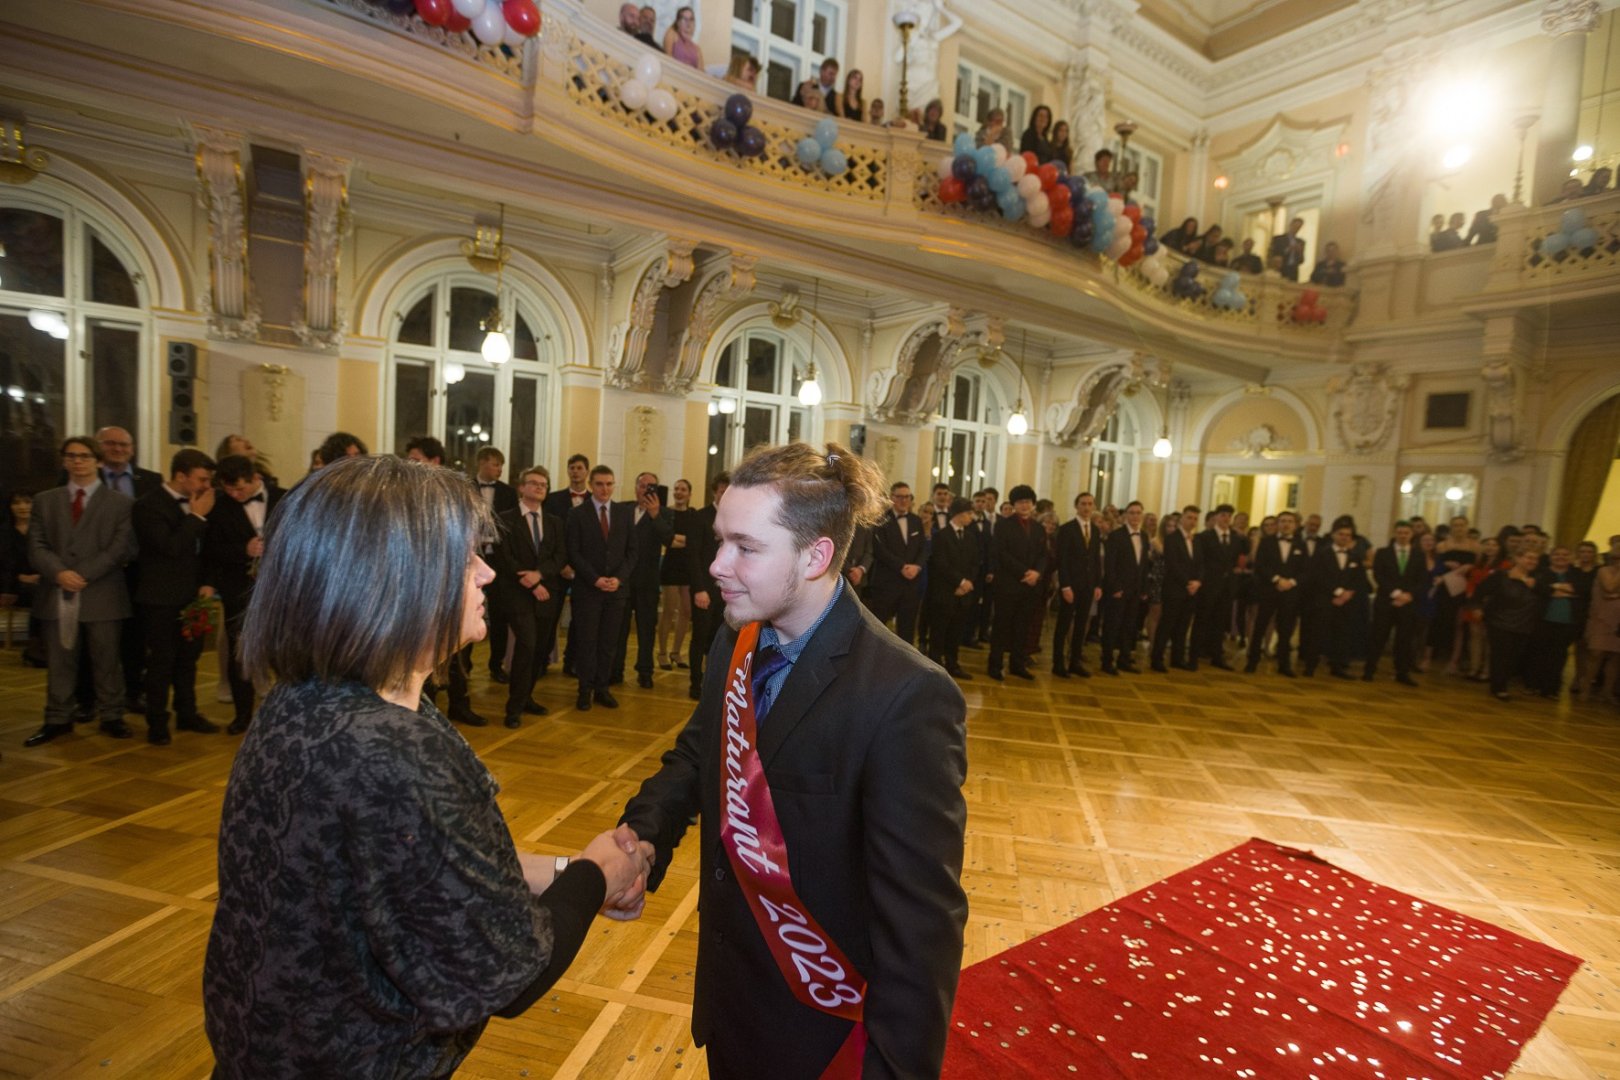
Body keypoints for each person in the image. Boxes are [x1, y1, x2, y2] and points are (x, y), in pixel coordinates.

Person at [203, 454, 649, 1078]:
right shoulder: (392, 751)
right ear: (398, 577)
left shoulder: (312, 698)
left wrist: (562, 870)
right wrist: (601, 871)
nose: (486, 572)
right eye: (465, 558)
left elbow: (419, 865)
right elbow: (512, 974)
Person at [614, 441, 968, 1078]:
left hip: (822, 1030)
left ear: (816, 556)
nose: (717, 565)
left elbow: (922, 928)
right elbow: (699, 754)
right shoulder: (737, 636)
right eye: (720, 540)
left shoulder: (906, 695)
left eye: (745, 548)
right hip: (731, 1002)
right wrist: (644, 834)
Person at [23, 437, 137, 747]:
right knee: (59, 660)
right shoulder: (45, 500)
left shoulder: (120, 503)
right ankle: (57, 718)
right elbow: (36, 545)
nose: (78, 461)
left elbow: (121, 548)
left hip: (102, 592)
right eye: (71, 456)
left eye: (85, 456)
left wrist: (83, 574)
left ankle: (112, 715)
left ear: (98, 461)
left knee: (107, 659)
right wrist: (59, 573)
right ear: (64, 461)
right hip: (56, 591)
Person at [133, 447, 220, 746]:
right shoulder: (148, 505)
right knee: (161, 661)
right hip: (160, 597)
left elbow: (208, 550)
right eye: (202, 479)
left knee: (188, 660)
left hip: (193, 595)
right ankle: (157, 721)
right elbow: (169, 547)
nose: (207, 485)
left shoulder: (203, 503)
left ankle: (187, 712)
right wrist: (196, 516)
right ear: (181, 476)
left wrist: (208, 583)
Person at [406, 437, 488, 727]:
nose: (409, 465)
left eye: (416, 459)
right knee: (424, 655)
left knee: (459, 656)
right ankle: (424, 710)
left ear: (435, 461)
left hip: (454, 588)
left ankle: (458, 705)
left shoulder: (454, 498)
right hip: (425, 594)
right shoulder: (406, 502)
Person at [203, 454, 284, 735]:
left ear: (255, 478)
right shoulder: (220, 506)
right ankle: (242, 716)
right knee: (240, 654)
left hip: (281, 590)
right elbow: (211, 548)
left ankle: (287, 713)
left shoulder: (285, 498)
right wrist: (243, 550)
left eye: (240, 488)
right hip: (238, 590)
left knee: (284, 652)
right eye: (229, 490)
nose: (235, 495)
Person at [489, 466, 565, 728]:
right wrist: (530, 582)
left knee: (540, 650)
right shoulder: (505, 518)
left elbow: (560, 556)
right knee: (527, 645)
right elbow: (503, 556)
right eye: (534, 483)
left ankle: (526, 697)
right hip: (516, 593)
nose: (540, 487)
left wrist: (539, 575)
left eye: (544, 484)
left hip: (547, 593)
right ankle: (514, 708)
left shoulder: (554, 522)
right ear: (521, 487)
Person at [94, 425, 161, 712]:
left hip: (138, 570)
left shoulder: (151, 480)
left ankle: (133, 692)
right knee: (95, 636)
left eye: (124, 445)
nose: (118, 449)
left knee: (136, 635)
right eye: (111, 444)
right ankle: (89, 699)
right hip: (97, 569)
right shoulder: (88, 477)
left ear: (132, 449)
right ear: (99, 447)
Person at [566, 465, 637, 711]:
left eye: (609, 484)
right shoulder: (577, 514)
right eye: (599, 484)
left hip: (616, 592)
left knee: (609, 644)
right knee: (587, 643)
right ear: (591, 485)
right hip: (588, 590)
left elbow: (632, 552)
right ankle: (584, 690)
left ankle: (602, 689)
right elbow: (573, 552)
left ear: (613, 485)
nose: (604, 489)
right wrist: (594, 578)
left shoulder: (624, 513)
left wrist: (619, 578)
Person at [614, 472, 673, 689]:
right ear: (635, 487)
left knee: (646, 630)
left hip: (648, 582)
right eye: (642, 485)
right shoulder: (622, 509)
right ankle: (615, 670)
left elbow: (668, 539)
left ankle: (645, 671)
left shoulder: (664, 513)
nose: (645, 489)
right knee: (618, 629)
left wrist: (655, 514)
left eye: (651, 486)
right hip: (622, 580)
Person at [988, 484, 1045, 680]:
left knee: (1023, 627)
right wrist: (1025, 572)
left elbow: (1043, 555)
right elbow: (1001, 553)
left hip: (1030, 586)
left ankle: (1017, 664)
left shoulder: (1038, 528)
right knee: (1001, 627)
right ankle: (995, 665)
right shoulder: (1003, 525)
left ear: (1033, 504)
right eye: (1020, 502)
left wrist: (1037, 572)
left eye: (1028, 501)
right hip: (1008, 584)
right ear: (1014, 504)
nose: (1024, 505)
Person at [1246, 510, 1310, 676]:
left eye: (1290, 521)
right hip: (1269, 590)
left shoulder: (1301, 544)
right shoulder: (1267, 542)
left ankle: (1284, 664)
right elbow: (1260, 565)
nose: (1286, 524)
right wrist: (1276, 580)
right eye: (1283, 521)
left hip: (1290, 593)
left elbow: (1305, 570)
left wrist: (1291, 582)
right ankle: (1252, 661)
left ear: (1295, 525)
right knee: (1260, 626)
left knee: (1286, 629)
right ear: (1278, 524)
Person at [474, 447, 519, 680]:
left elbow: (510, 529)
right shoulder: (464, 487)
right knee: (467, 611)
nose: (500, 469)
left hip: (499, 561)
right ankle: (463, 667)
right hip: (472, 558)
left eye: (501, 465)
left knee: (500, 615)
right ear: (482, 463)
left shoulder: (508, 492)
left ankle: (496, 665)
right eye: (495, 464)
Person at [1303, 519, 1368, 678]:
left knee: (1341, 634)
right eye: (1341, 534)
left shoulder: (1354, 556)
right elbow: (1317, 576)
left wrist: (1348, 593)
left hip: (1345, 602)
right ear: (1333, 535)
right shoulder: (1321, 553)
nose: (1344, 537)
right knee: (1318, 634)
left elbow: (1359, 579)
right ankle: (1310, 667)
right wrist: (1337, 592)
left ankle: (1337, 666)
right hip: (1325, 600)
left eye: (1348, 535)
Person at [1363, 521, 1426, 686]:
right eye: (1400, 532)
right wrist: (1396, 594)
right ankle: (1369, 670)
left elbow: (1422, 579)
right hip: (1386, 602)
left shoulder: (1418, 555)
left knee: (1404, 639)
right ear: (1394, 534)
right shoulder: (1383, 553)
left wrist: (1409, 595)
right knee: (1378, 637)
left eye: (1406, 533)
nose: (1403, 536)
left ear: (1411, 535)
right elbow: (1379, 575)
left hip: (1408, 603)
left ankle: (1402, 673)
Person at [1478, 548, 1542, 701]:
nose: (1532, 561)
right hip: (1500, 622)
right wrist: (1477, 608)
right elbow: (1481, 591)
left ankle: (1502, 684)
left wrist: (1532, 584)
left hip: (1524, 624)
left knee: (1514, 657)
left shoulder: (1538, 580)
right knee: (1501, 655)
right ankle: (1499, 688)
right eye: (1529, 557)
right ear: (1518, 558)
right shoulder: (1501, 576)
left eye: (1535, 559)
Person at [866, 482, 925, 645]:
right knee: (878, 629)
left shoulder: (916, 521)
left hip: (911, 584)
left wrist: (917, 566)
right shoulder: (881, 520)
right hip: (887, 583)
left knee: (907, 630)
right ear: (892, 498)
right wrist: (901, 567)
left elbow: (923, 548)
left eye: (907, 497)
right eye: (899, 497)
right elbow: (879, 549)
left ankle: (904, 661)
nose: (903, 500)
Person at [686, 472, 728, 700]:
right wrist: (699, 589)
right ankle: (695, 682)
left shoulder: (736, 518)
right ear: (715, 492)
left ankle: (713, 684)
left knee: (719, 640)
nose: (726, 495)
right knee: (699, 638)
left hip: (727, 591)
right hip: (704, 589)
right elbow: (692, 557)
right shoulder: (700, 517)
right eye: (722, 491)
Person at [926, 496, 978, 679]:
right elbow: (941, 564)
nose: (971, 517)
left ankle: (953, 663)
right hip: (945, 592)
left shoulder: (970, 537)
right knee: (939, 631)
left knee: (956, 632)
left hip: (963, 594)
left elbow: (975, 563)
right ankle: (934, 666)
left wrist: (968, 582)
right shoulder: (941, 536)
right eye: (969, 513)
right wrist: (960, 582)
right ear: (959, 514)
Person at [1052, 492, 1103, 678]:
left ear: (1094, 506)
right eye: (1083, 503)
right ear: (1076, 506)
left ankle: (1075, 661)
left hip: (1088, 585)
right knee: (1064, 624)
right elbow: (1062, 560)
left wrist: (1097, 584)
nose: (1087, 507)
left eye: (1090, 504)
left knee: (1081, 625)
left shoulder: (1095, 530)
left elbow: (1095, 559)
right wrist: (1065, 586)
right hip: (1071, 585)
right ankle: (1058, 663)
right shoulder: (1067, 529)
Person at [1100, 500, 1149, 675]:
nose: (1135, 516)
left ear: (1142, 516)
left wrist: (1144, 589)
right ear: (1126, 515)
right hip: (1119, 589)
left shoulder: (1144, 536)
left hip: (1135, 590)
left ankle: (1124, 658)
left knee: (1130, 626)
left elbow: (1143, 565)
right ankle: (1107, 660)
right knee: (1112, 626)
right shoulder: (1116, 536)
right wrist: (1115, 587)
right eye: (1132, 513)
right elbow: (1110, 565)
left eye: (1138, 513)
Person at [1192, 503, 1243, 670]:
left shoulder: (1236, 538)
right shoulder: (1204, 537)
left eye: (1229, 516)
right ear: (1216, 517)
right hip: (1208, 586)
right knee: (1202, 620)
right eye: (1223, 515)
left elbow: (1237, 560)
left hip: (1227, 587)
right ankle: (1194, 656)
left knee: (1220, 623)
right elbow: (1200, 562)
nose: (1226, 518)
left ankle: (1216, 656)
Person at [1153, 505, 1203, 673]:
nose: (1192, 521)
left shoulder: (1196, 540)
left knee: (1183, 626)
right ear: (1182, 518)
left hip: (1192, 590)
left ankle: (1177, 658)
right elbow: (1173, 564)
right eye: (1189, 517)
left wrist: (1198, 581)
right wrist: (1189, 582)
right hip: (1175, 588)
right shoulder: (1172, 538)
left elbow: (1200, 564)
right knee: (1166, 625)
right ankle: (1157, 659)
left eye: (1195, 518)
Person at [1531, 546, 1584, 698]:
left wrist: (1555, 588)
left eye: (1565, 554)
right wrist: (1560, 589)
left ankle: (1552, 688)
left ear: (1571, 557)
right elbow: (1538, 588)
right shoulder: (1542, 572)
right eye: (1557, 554)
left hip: (1567, 622)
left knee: (1559, 655)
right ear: (1551, 557)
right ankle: (1534, 685)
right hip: (1543, 620)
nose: (1561, 557)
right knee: (1539, 653)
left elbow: (1581, 590)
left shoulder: (1576, 574)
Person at [1, 491, 45, 667]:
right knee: (40, 595)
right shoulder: (4, 532)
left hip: (41, 580)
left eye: (27, 502)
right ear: (10, 507)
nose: (22, 507)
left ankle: (45, 646)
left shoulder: (42, 530)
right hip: (10, 584)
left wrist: (41, 575)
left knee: (48, 593)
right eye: (17, 503)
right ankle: (36, 647)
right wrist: (19, 577)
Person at [657, 478, 694, 670]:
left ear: (689, 494)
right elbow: (667, 540)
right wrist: (683, 540)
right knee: (669, 611)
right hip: (670, 566)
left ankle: (676, 652)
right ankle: (662, 652)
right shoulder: (666, 513)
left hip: (687, 567)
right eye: (676, 489)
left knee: (686, 611)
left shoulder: (693, 514)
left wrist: (678, 539)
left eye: (683, 489)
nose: (679, 492)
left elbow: (695, 540)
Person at [1585, 555, 1620, 704]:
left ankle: (1607, 692)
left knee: (1616, 656)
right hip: (1602, 618)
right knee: (1596, 654)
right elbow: (1609, 587)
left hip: (1618, 619)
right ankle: (1585, 689)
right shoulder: (1603, 570)